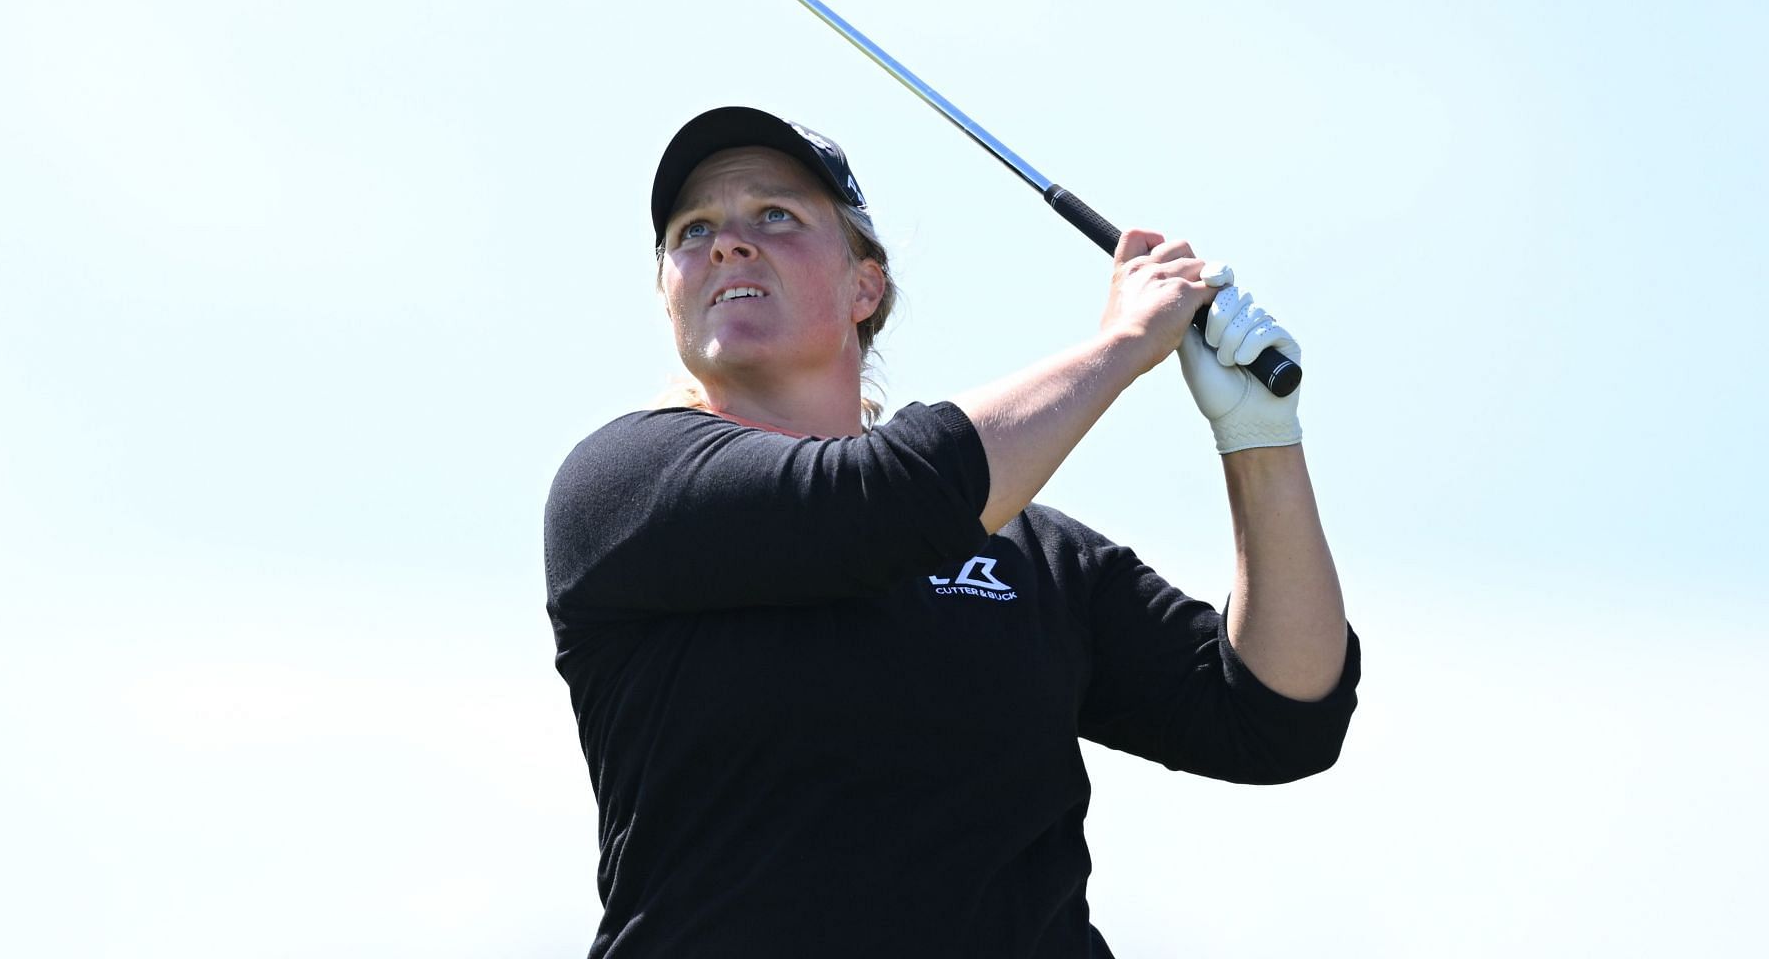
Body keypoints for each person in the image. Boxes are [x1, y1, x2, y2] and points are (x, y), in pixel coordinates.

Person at [544, 106, 1359, 958]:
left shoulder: (1029, 553)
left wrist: (1262, 442)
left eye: (775, 215)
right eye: (693, 229)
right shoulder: (625, 485)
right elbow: (878, 506)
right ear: (668, 296)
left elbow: (1276, 716)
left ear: (866, 285)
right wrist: (1120, 345)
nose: (726, 243)